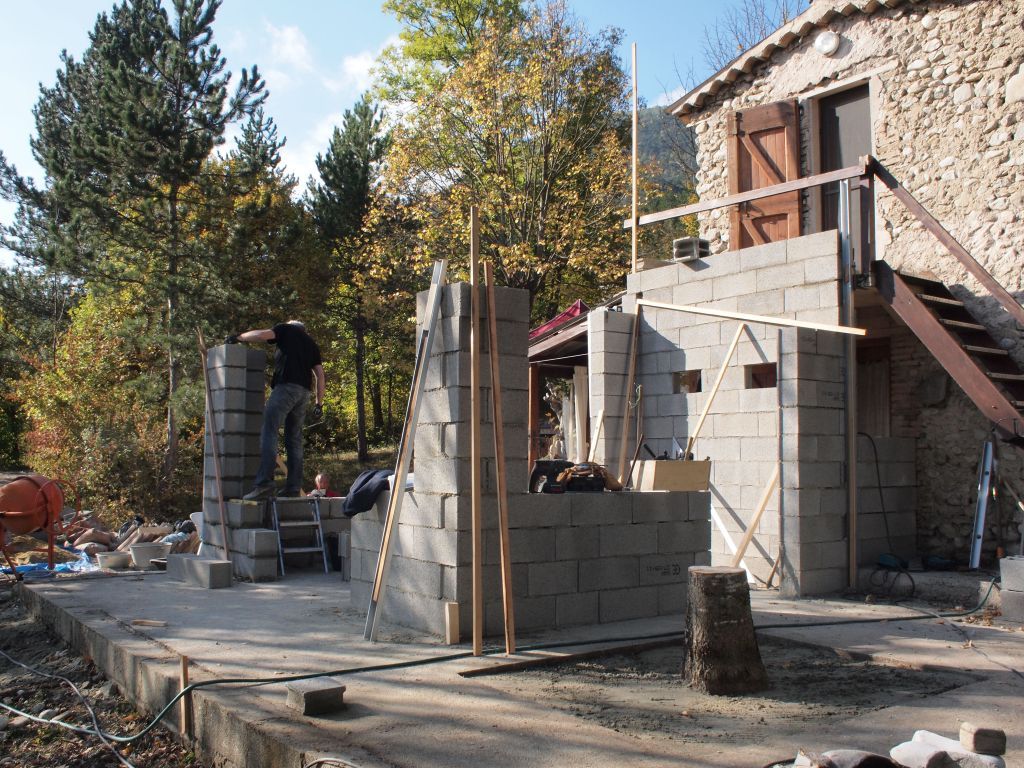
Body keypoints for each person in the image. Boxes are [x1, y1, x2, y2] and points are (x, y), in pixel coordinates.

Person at [228, 321, 325, 500]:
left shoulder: (286, 329)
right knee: (294, 440)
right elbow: (320, 375)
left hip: (286, 387)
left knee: (269, 432)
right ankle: (293, 488)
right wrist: (319, 403)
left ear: (291, 326)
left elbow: (262, 335)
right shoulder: (311, 344)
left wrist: (239, 337)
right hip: (304, 393)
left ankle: (264, 484)